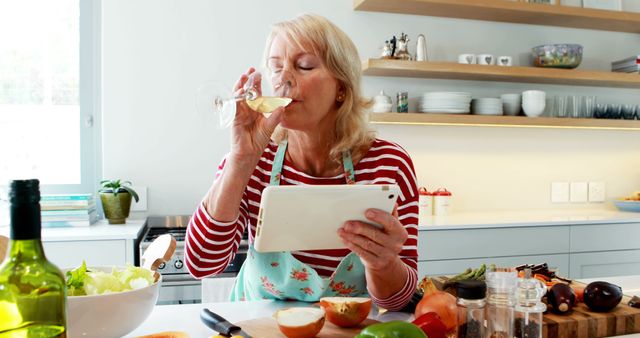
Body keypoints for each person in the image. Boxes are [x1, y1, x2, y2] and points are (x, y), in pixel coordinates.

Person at [185, 13, 419, 311]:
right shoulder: (253, 159)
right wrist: (241, 160)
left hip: (345, 328)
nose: (283, 78)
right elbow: (202, 265)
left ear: (341, 88)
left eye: (304, 65)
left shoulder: (388, 164)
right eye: (276, 67)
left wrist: (384, 263)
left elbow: (396, 301)